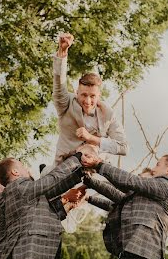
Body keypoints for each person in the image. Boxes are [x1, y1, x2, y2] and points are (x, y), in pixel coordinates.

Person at [52, 33, 128, 164]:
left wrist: (92, 138)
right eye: (83, 95)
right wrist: (62, 52)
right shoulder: (66, 103)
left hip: (93, 169)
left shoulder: (108, 114)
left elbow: (123, 147)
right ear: (77, 92)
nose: (87, 101)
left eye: (92, 96)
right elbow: (59, 83)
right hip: (64, 166)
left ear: (99, 95)